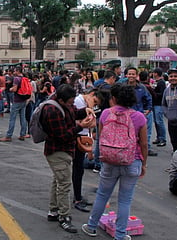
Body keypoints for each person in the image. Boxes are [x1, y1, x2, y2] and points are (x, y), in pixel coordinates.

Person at [82, 83, 148, 240]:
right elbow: (144, 144)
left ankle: (91, 226)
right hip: (131, 160)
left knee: (102, 194)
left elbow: (102, 137)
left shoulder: (105, 114)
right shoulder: (139, 117)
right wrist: (143, 163)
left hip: (109, 160)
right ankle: (120, 234)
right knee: (125, 199)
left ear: (114, 98)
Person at [42, 84, 96, 233]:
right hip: (57, 150)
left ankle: (53, 211)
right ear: (60, 99)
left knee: (58, 181)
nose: (72, 104)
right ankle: (64, 216)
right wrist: (80, 127)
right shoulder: (52, 110)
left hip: (64, 150)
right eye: (70, 102)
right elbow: (62, 136)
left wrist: (85, 111)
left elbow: (73, 113)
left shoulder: (64, 105)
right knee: (64, 184)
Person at [72, 88, 103, 212]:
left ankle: (78, 196)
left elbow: (90, 124)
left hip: (82, 136)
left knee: (79, 169)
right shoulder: (79, 102)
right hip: (76, 136)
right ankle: (77, 198)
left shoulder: (85, 103)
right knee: (77, 168)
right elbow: (86, 122)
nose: (94, 105)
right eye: (94, 102)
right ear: (91, 94)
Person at [124, 67, 154, 156]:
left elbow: (149, 99)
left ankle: (140, 155)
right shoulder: (122, 86)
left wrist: (148, 110)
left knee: (140, 137)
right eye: (129, 74)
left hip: (138, 115)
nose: (131, 76)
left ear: (137, 75)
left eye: (133, 74)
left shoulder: (142, 87)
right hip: (125, 116)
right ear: (126, 75)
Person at [0, 66, 29, 142]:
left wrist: (10, 89)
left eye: (15, 71)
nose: (14, 72)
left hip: (17, 100)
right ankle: (22, 134)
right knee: (23, 118)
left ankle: (9, 135)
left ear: (18, 71)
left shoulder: (16, 79)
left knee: (12, 118)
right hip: (23, 99)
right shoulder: (24, 78)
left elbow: (15, 89)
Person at [151, 68, 167, 147]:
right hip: (155, 104)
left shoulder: (161, 83)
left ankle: (163, 138)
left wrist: (154, 92)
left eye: (153, 73)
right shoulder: (156, 82)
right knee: (156, 122)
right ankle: (158, 137)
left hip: (159, 104)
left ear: (156, 73)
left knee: (159, 122)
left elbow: (162, 93)